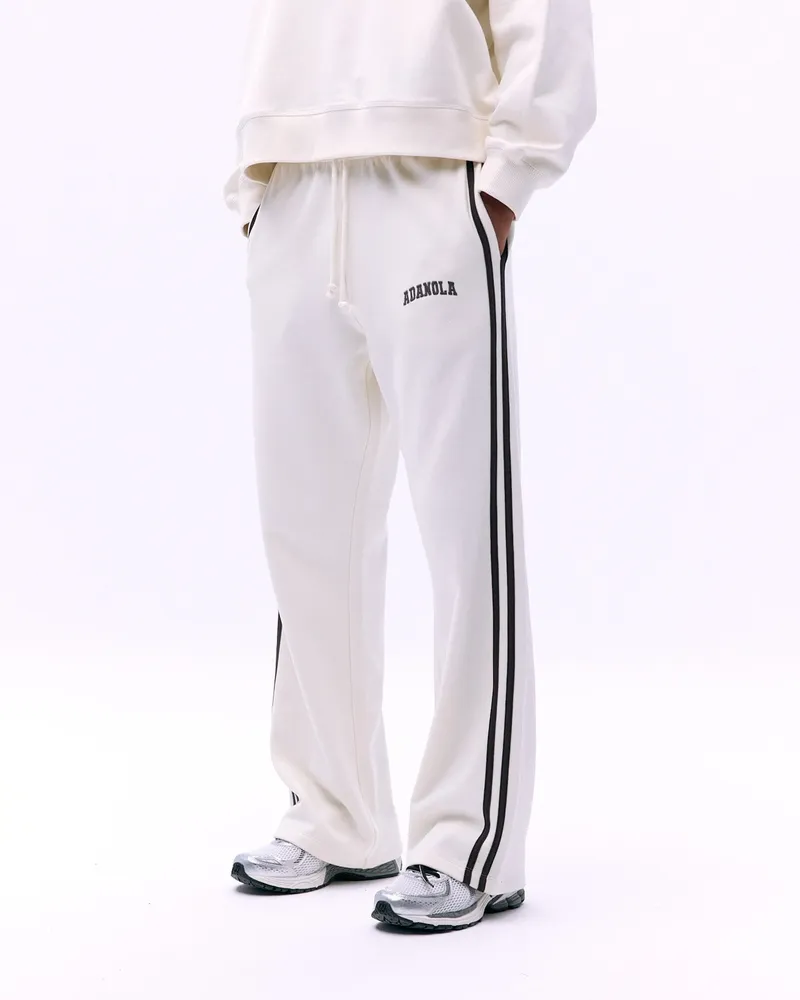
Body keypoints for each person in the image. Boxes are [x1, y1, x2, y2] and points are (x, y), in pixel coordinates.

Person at [222, 0, 596, 932]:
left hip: (434, 171)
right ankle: (335, 814)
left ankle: (469, 841)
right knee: (305, 529)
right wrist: (256, 180)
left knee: (466, 532)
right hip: (293, 180)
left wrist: (508, 177)